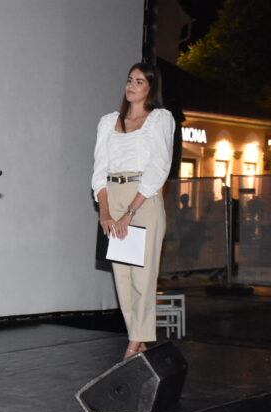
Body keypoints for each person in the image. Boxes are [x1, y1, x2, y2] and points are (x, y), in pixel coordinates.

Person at [91, 62, 174, 360]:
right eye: (129, 80)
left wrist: (130, 212)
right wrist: (105, 212)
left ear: (151, 88)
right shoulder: (108, 122)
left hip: (143, 198)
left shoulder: (160, 119)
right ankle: (139, 341)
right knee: (123, 279)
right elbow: (99, 169)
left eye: (139, 81)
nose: (132, 86)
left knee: (142, 277)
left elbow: (159, 167)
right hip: (113, 197)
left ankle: (132, 346)